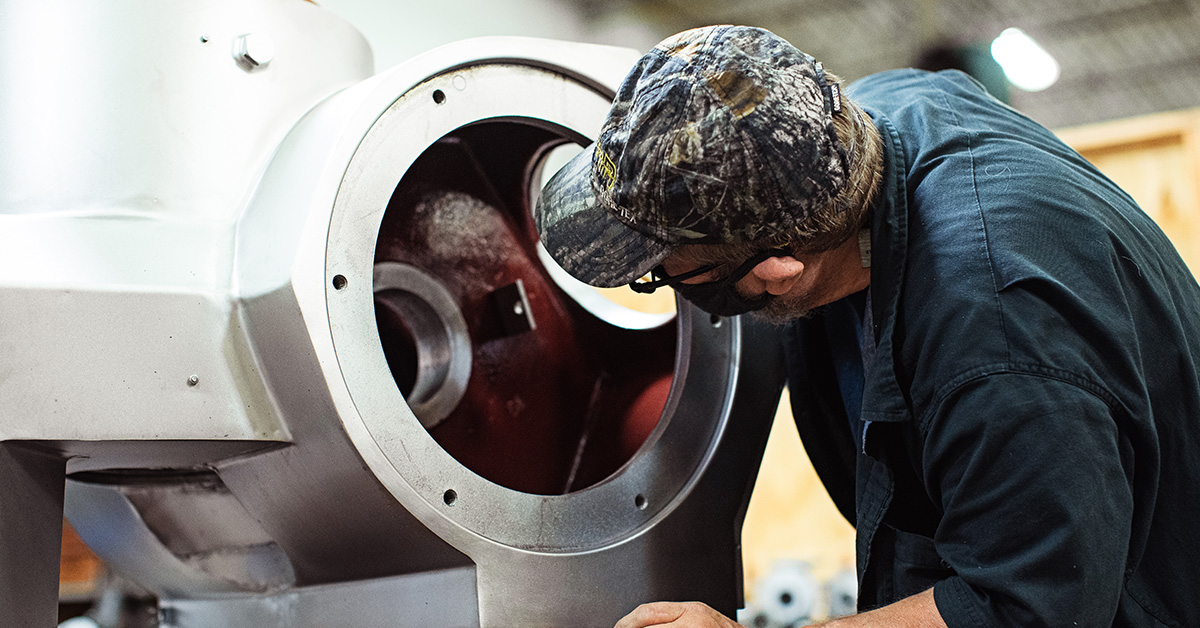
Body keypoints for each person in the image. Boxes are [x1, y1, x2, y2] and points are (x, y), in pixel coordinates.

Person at [535, 24, 1200, 628]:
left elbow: (1027, 609)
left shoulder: (997, 336)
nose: (667, 282)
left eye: (667, 273)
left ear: (779, 268)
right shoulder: (865, 126)